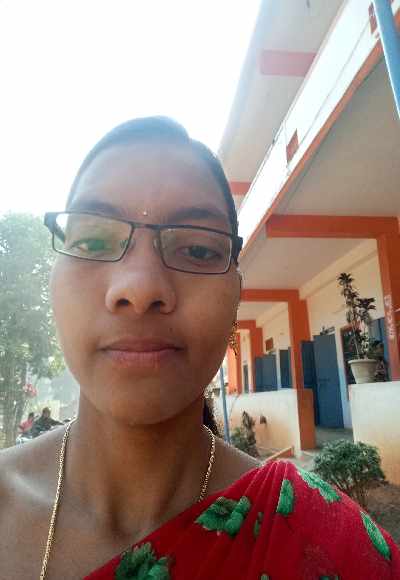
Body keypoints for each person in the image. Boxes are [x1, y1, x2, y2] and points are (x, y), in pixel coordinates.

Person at [0, 117, 398, 580]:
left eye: (197, 250)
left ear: (236, 294)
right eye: (92, 241)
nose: (140, 288)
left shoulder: (332, 547)